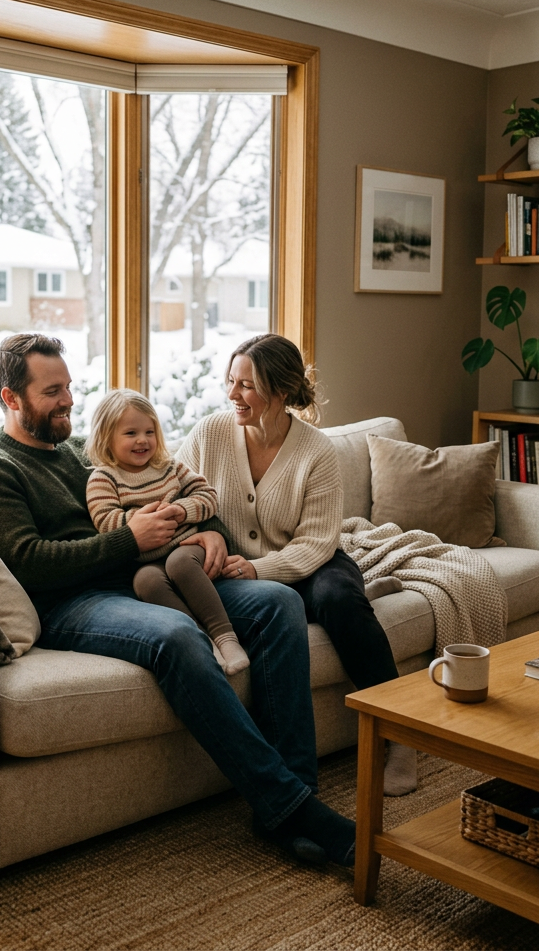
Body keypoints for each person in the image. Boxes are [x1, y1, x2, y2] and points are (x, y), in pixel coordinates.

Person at [0, 333, 359, 868]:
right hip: (71, 603)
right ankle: (293, 809)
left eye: (70, 387)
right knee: (176, 635)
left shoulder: (83, 453)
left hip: (147, 575)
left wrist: (210, 530)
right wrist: (129, 540)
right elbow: (28, 562)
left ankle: (295, 792)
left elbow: (168, 490)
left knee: (277, 603)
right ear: (12, 398)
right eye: (53, 391)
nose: (69, 400)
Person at [177, 333, 418, 797]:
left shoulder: (315, 451)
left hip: (312, 559)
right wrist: (204, 535)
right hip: (234, 570)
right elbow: (181, 497)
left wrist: (259, 570)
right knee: (285, 607)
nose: (232, 395)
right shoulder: (210, 433)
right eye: (230, 382)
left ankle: (401, 735)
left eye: (246, 386)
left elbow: (317, 542)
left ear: (280, 391)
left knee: (336, 598)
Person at [86, 389, 250, 676]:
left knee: (179, 563)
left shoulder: (168, 466)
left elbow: (208, 495)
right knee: (146, 582)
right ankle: (203, 639)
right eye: (130, 433)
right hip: (146, 559)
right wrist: (146, 519)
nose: (142, 440)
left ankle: (226, 636)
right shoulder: (103, 478)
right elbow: (105, 521)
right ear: (106, 438)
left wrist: (182, 510)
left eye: (150, 431)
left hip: (186, 543)